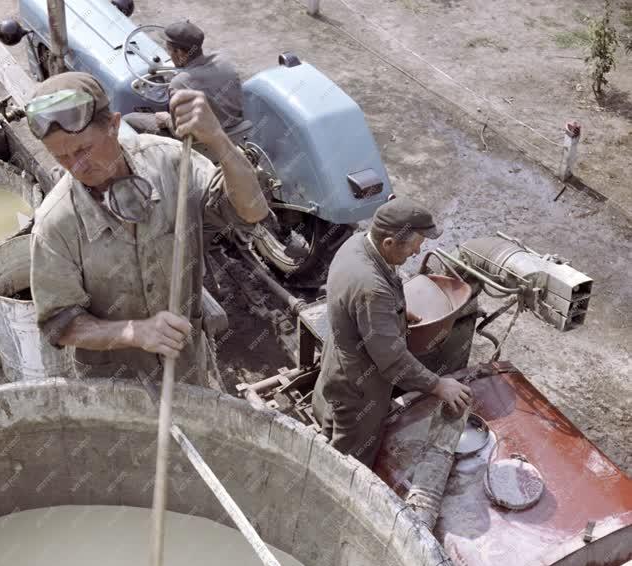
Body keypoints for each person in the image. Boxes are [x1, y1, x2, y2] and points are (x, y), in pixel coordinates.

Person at [27, 71, 268, 385]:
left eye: (83, 150)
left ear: (114, 125)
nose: (77, 167)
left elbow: (253, 210)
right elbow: (60, 324)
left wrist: (218, 139)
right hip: (114, 385)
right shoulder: (55, 225)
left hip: (186, 367)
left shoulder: (170, 163)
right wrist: (134, 332)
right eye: (60, 156)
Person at [312, 197, 472, 468]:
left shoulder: (357, 244)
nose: (415, 254)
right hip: (359, 385)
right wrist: (438, 385)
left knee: (335, 423)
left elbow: (361, 302)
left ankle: (326, 449)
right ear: (389, 243)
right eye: (412, 249)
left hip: (339, 360)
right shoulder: (372, 289)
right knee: (353, 456)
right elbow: (392, 360)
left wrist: (397, 312)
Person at [124, 21, 244, 138]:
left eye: (169, 50)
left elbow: (180, 131)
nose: (169, 55)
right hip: (234, 132)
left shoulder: (178, 83)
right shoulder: (225, 61)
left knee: (128, 119)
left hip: (202, 142)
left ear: (179, 52)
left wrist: (166, 119)